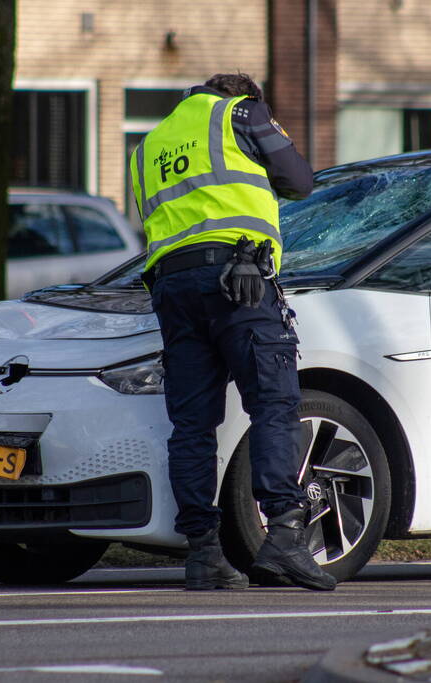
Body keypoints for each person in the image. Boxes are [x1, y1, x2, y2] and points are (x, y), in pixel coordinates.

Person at [129, 72, 336, 591]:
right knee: (273, 404)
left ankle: (204, 554)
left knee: (192, 426)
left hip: (172, 289)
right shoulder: (241, 113)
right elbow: (299, 181)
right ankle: (286, 539)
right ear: (243, 93)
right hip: (238, 280)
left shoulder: (147, 146)